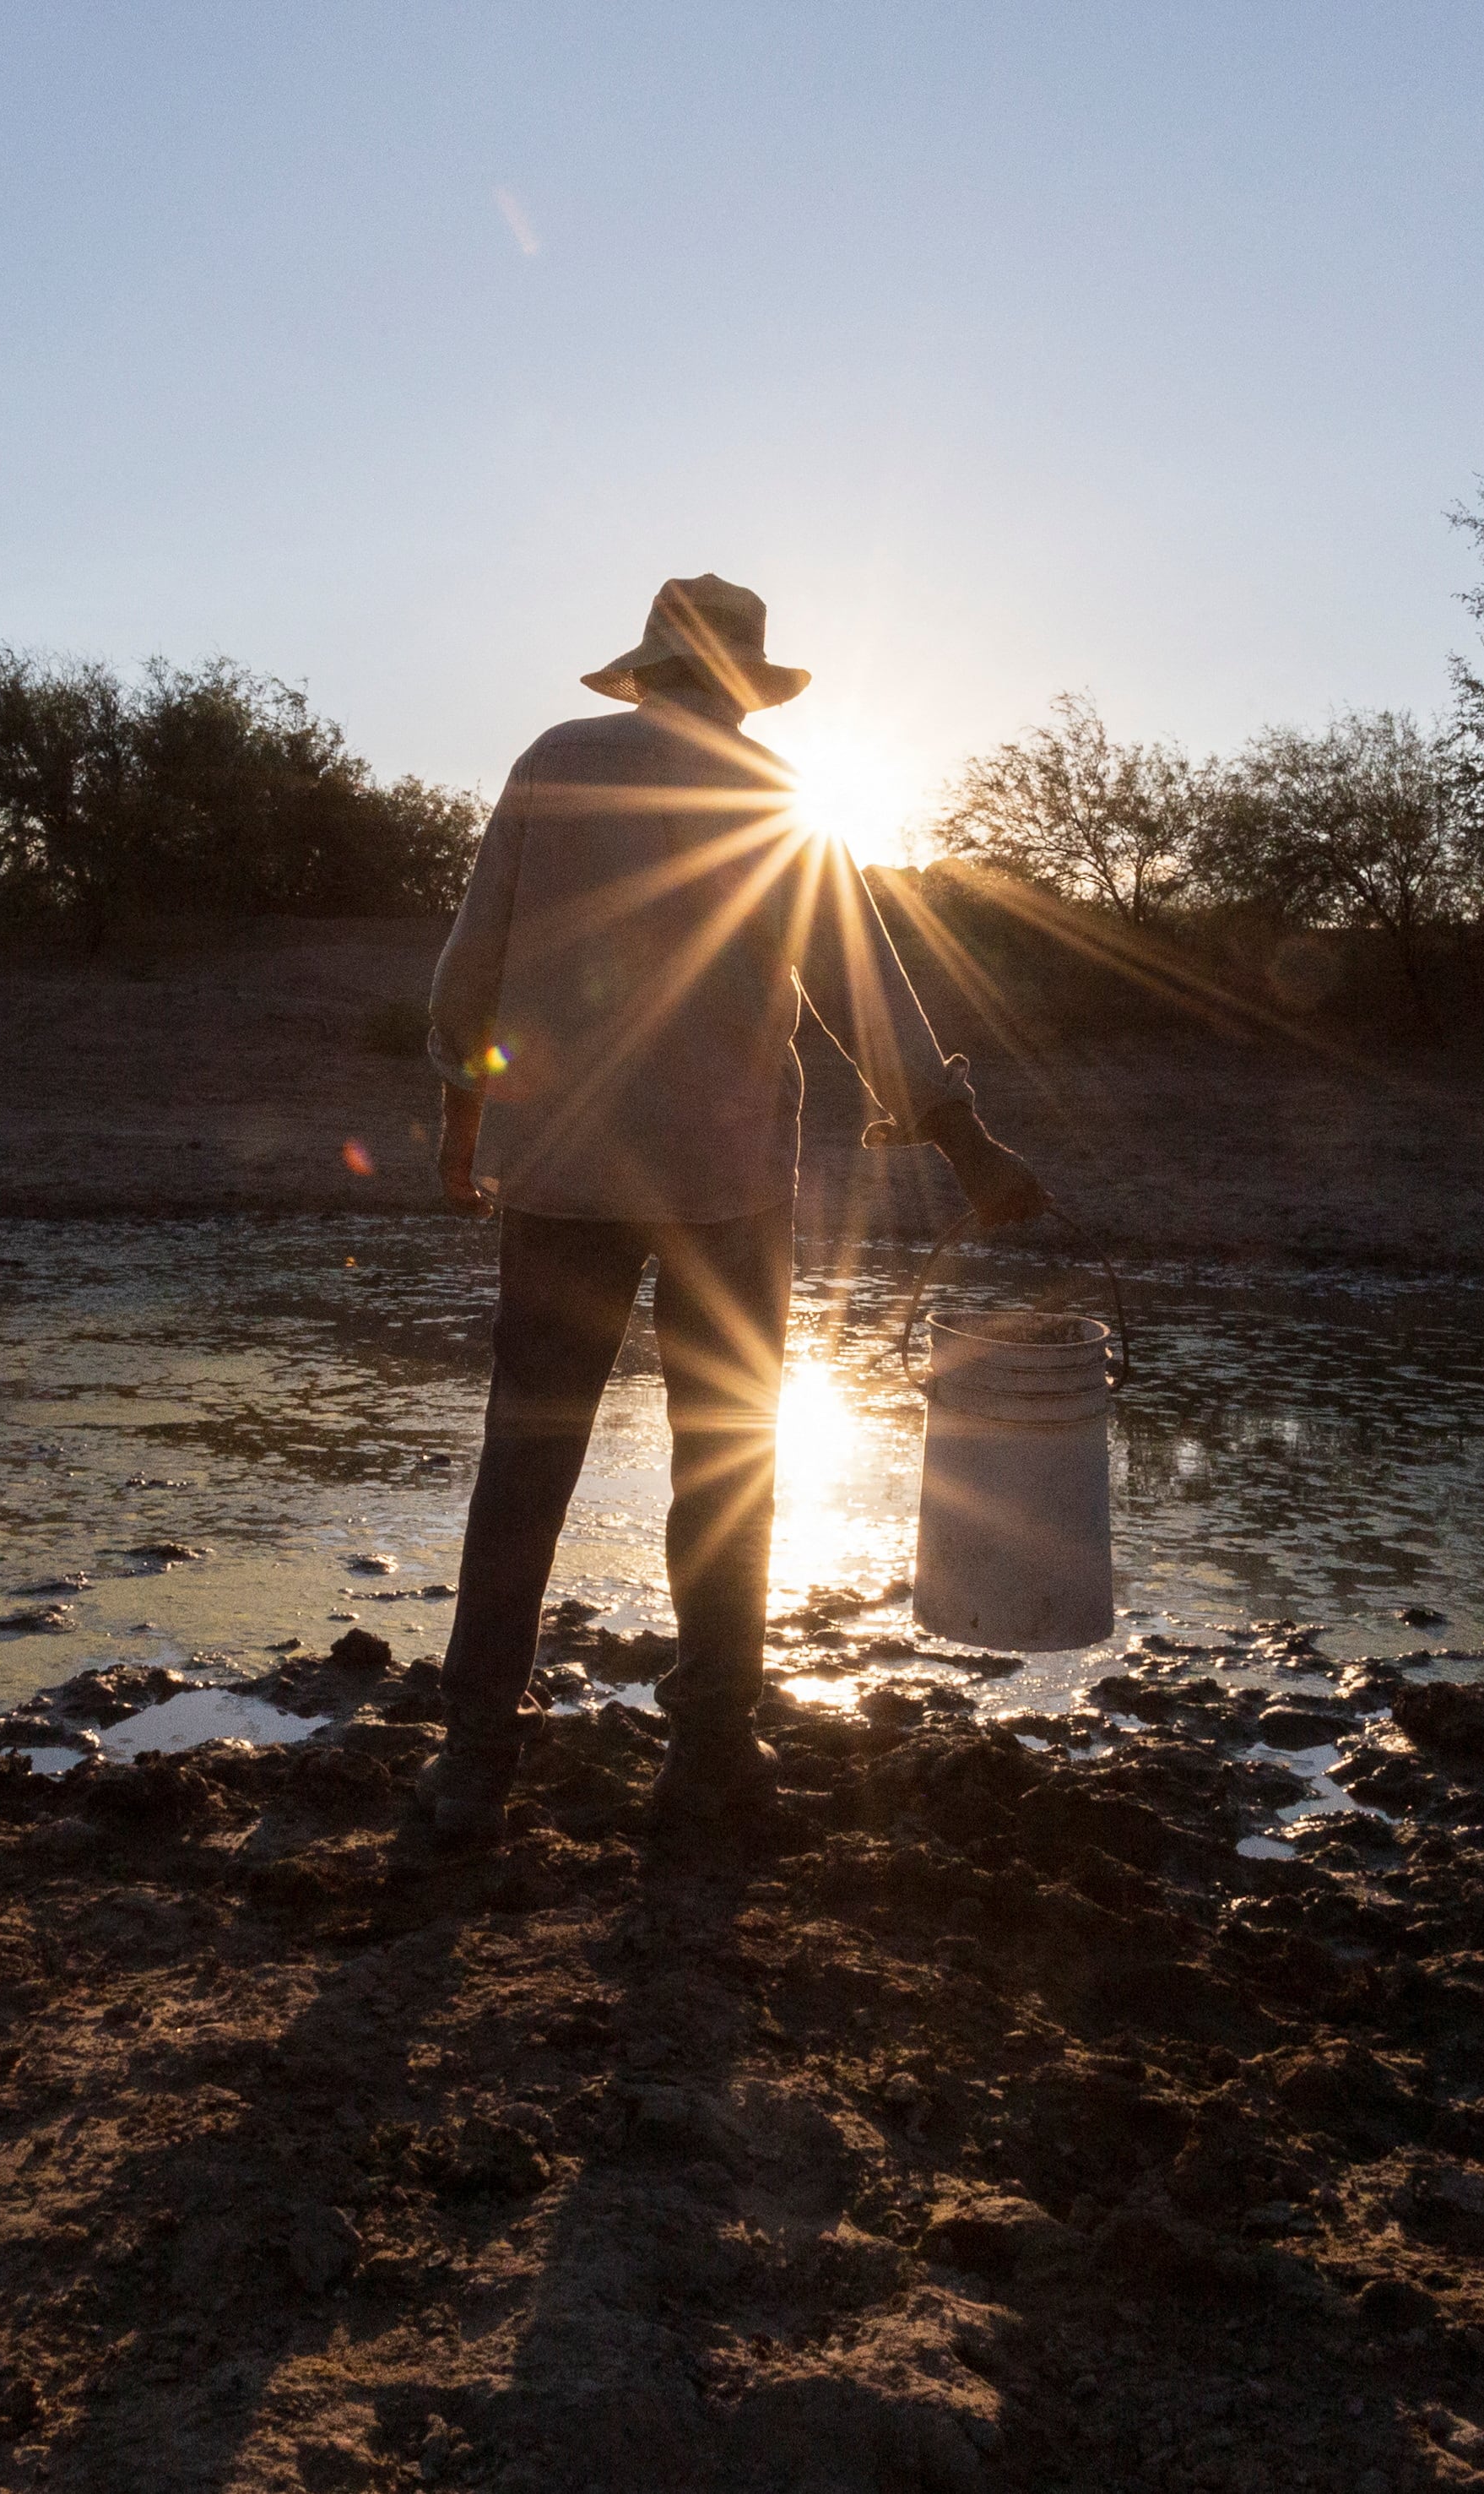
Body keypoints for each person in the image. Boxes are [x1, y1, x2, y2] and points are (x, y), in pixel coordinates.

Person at [409, 573, 1049, 1852]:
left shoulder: (553, 763)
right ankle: (706, 1754)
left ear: (645, 671)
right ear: (747, 687)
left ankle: (475, 1754)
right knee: (726, 1466)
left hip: (563, 1172)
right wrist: (965, 1142)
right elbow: (867, 987)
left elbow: (474, 961)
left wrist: (463, 1125)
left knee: (524, 1463)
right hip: (727, 1188)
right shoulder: (774, 795)